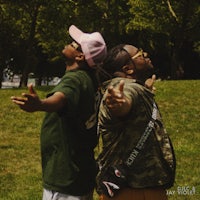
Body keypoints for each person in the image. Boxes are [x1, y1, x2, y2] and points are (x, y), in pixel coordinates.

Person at [11, 25, 107, 200]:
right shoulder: (90, 79)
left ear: (80, 56)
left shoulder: (75, 79)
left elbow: (61, 99)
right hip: (81, 172)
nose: (68, 43)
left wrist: (40, 104)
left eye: (74, 44)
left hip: (65, 176)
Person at [96, 44, 176, 200]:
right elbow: (126, 97)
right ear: (128, 69)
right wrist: (120, 104)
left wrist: (146, 89)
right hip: (132, 190)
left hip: (135, 187)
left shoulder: (137, 87)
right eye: (140, 54)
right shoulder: (124, 88)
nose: (145, 54)